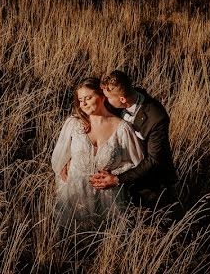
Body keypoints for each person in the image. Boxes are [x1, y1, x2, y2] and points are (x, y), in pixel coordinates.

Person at [51, 77, 143, 230]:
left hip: (108, 200)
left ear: (102, 96)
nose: (83, 104)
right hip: (73, 196)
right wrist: (65, 164)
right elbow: (58, 158)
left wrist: (114, 175)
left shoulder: (122, 129)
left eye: (88, 98)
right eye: (80, 100)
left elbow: (136, 162)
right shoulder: (74, 124)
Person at [90, 69, 178, 212]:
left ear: (123, 100)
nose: (104, 100)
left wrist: (117, 179)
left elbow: (154, 160)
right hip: (125, 175)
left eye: (107, 97)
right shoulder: (123, 100)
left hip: (153, 183)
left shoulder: (156, 118)